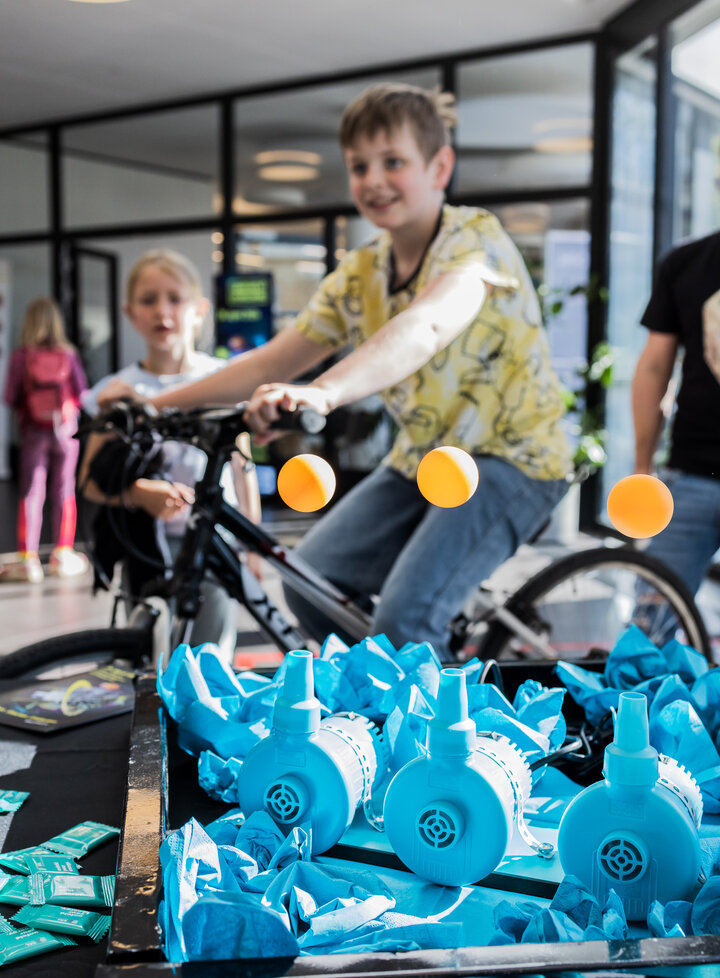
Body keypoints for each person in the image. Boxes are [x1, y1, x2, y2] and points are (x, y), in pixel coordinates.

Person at [97, 84, 571, 658]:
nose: (374, 180)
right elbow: (273, 359)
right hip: (421, 461)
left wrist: (322, 393)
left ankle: (435, 701)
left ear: (440, 167)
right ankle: (395, 684)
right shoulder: (362, 270)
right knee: (309, 584)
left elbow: (426, 326)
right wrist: (154, 403)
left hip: (512, 460)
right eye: (359, 166)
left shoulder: (474, 237)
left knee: (406, 621)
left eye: (393, 162)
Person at [80, 248, 261, 662]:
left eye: (174, 299)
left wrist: (250, 546)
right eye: (148, 300)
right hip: (146, 549)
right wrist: (136, 494)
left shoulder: (222, 382)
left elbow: (243, 468)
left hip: (215, 543)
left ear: (199, 310)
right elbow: (88, 481)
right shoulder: (115, 392)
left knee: (210, 661)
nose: (162, 311)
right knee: (150, 659)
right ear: (129, 313)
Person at [632, 228, 720, 600]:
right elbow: (654, 369)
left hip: (690, 478)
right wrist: (642, 467)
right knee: (648, 618)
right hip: (691, 473)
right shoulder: (686, 261)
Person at [2, 297, 89, 584]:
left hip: (33, 432)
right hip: (66, 432)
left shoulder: (21, 357)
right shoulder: (68, 354)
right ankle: (62, 553)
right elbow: (82, 393)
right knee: (64, 490)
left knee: (31, 493)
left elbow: (10, 396)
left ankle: (28, 560)